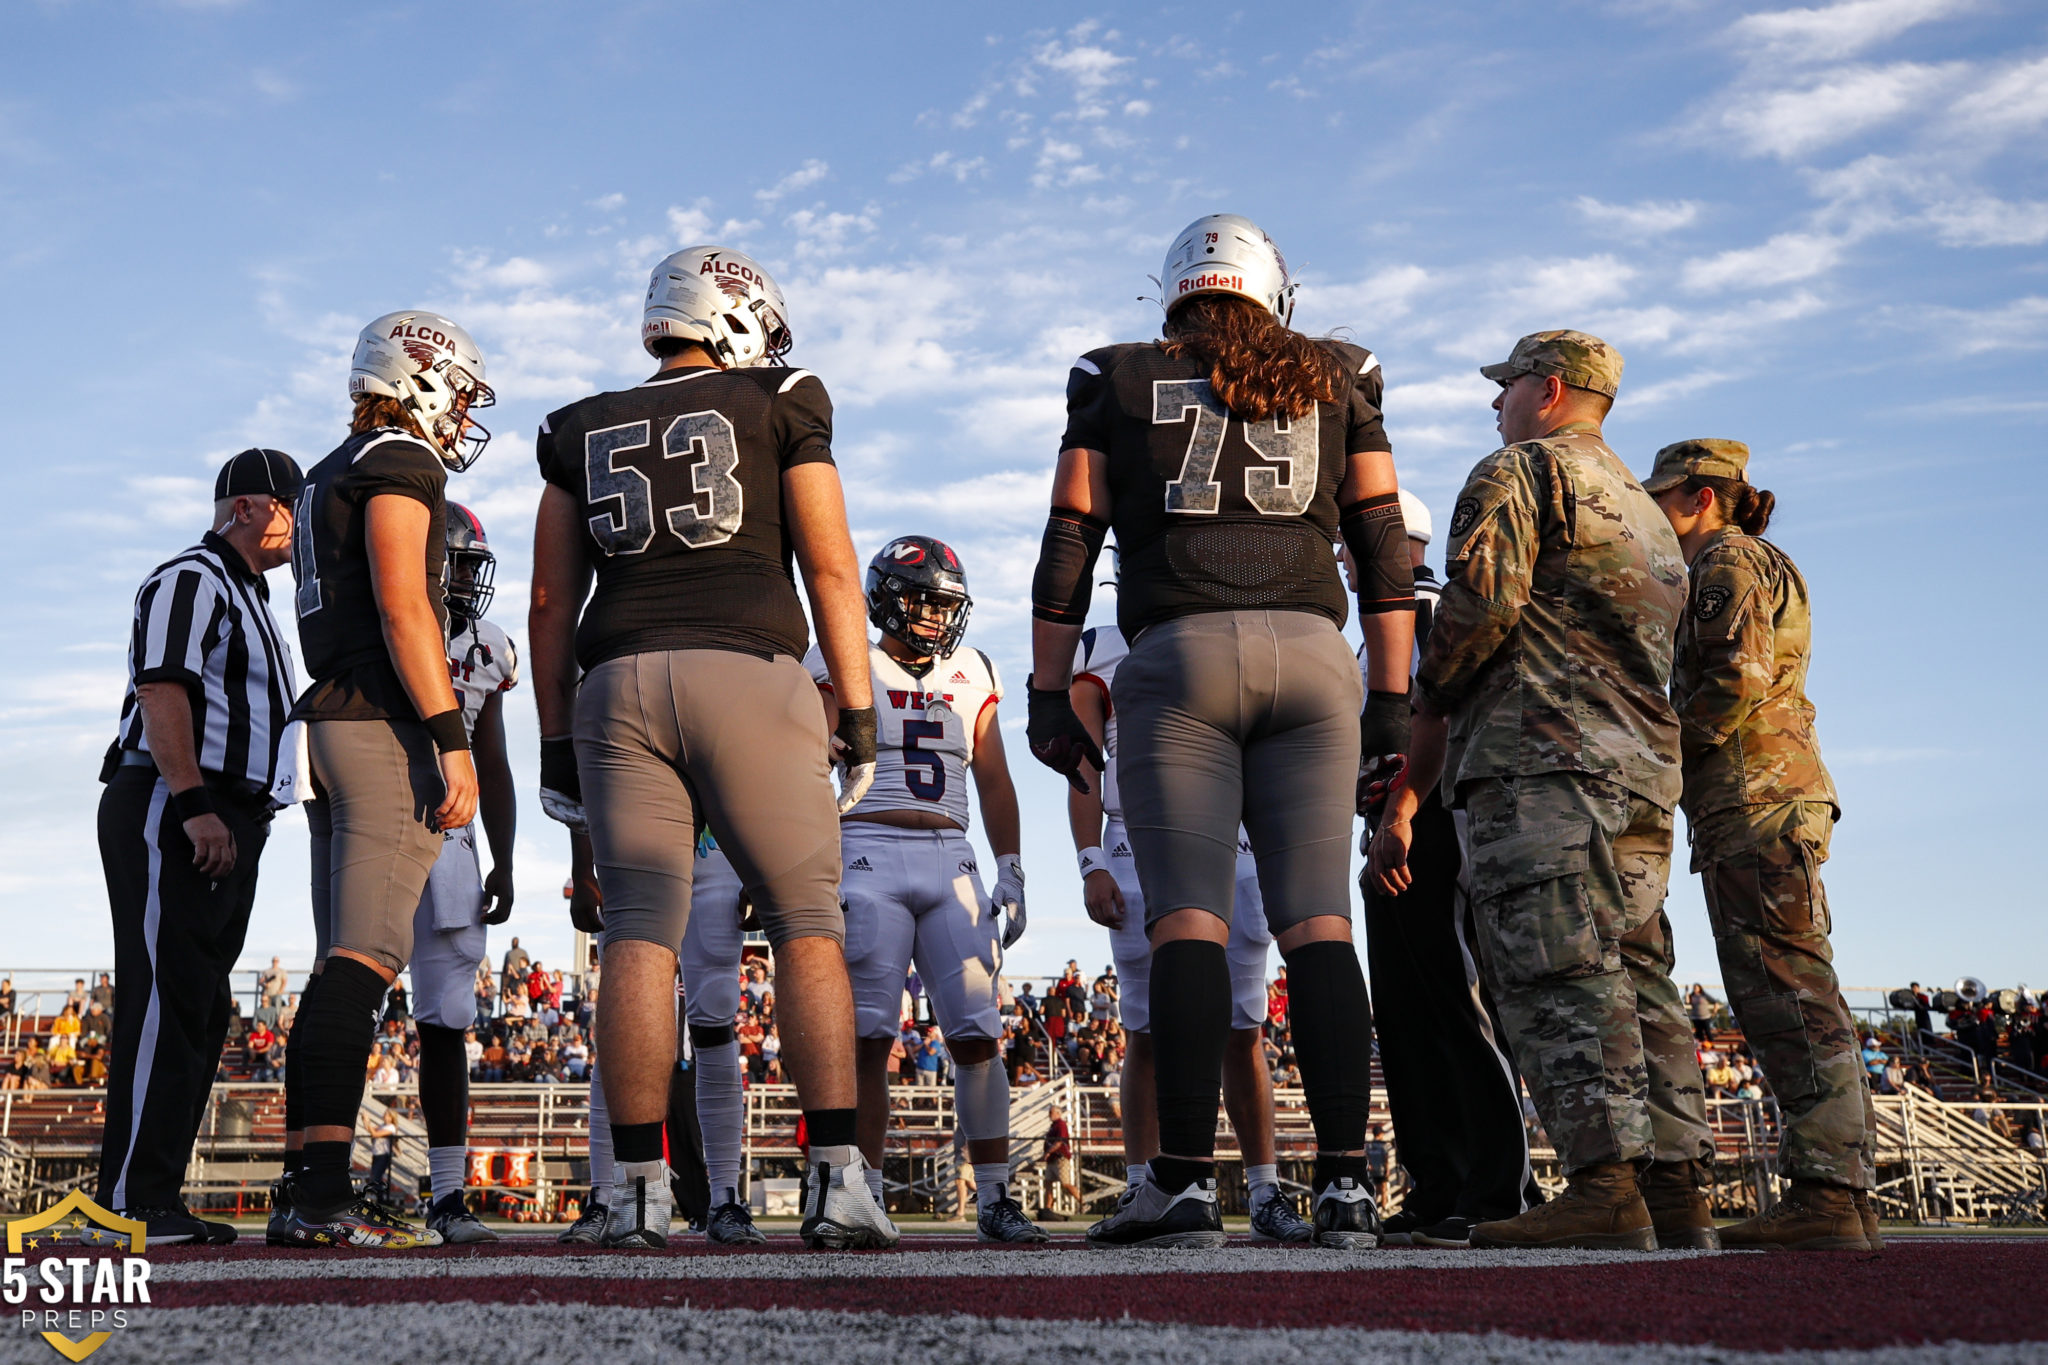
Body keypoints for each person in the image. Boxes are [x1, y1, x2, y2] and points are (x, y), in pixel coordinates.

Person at [1028, 214, 1413, 1249]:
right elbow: (1380, 546)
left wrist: (1045, 686)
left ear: (1173, 292)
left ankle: (1184, 1187)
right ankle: (1341, 1186)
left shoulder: (1114, 377)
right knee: (1317, 922)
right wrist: (1390, 695)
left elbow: (1071, 537)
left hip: (1179, 654)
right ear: (1268, 293)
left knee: (1186, 922)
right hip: (1313, 656)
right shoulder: (1340, 374)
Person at [530, 245, 890, 1251]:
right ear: (731, 318)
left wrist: (555, 739)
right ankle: (832, 1183)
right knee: (805, 922)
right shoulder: (785, 398)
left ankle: (634, 1190)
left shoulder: (578, 426)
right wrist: (856, 710)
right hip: (747, 670)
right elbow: (828, 564)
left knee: (640, 932)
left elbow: (551, 601)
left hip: (619, 685)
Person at [1369, 330, 1717, 1252]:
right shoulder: (1648, 511)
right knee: (1641, 970)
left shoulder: (1520, 471)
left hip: (1543, 764)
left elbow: (1477, 609)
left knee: (1557, 967)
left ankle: (1606, 1183)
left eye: (1508, 385)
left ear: (1549, 390)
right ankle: (1676, 1186)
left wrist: (1422, 725)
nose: (1497, 403)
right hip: (1643, 769)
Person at [278, 311, 494, 1251]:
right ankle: (317, 1196)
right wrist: (452, 737)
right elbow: (407, 608)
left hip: (326, 722)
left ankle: (308, 1187)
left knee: (343, 965)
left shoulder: (329, 466)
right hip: (378, 726)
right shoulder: (399, 458)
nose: (461, 416)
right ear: (422, 377)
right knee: (364, 960)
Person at [1647, 438, 1878, 1253]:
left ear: (1701, 498)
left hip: (1755, 797)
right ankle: (1838, 1190)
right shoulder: (1754, 560)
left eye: (1663, 493)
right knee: (1793, 990)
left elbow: (1734, 679)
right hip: (1765, 797)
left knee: (1788, 994)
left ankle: (1828, 1191)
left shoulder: (1725, 563)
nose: (1652, 506)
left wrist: (1660, 757)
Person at [96, 447, 306, 1246]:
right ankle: (128, 1201)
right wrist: (192, 802)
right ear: (248, 506)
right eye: (288, 507)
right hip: (174, 798)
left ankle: (156, 1193)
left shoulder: (253, 598)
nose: (296, 526)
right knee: (162, 996)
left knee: (201, 1003)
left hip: (228, 812)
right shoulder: (193, 577)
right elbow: (162, 686)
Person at [809, 537, 1044, 1245]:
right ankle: (865, 1193)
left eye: (947, 604)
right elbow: (815, 747)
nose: (938, 617)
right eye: (924, 600)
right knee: (868, 1038)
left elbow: (995, 775)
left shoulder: (973, 669)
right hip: (866, 845)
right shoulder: (843, 654)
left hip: (951, 852)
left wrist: (1013, 865)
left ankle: (996, 1198)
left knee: (978, 1035)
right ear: (886, 595)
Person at [1067, 618, 1315, 1244]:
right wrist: (1091, 861)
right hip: (1136, 835)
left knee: (1244, 1025)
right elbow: (1083, 765)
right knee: (1145, 1028)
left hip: (1237, 834)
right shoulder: (1100, 646)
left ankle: (1264, 1188)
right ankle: (1141, 1184)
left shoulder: (1241, 620)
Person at [1350, 491, 1540, 1248]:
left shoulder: (1430, 613)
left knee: (1456, 1006)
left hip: (1436, 819)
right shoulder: (1374, 628)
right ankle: (1437, 1183)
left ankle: (1499, 1186)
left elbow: (1447, 719)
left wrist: (1399, 797)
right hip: (1391, 825)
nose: (1344, 552)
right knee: (1404, 1015)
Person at [390, 503, 521, 1246]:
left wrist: (503, 855)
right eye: (456, 563)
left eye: (474, 565)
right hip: (383, 813)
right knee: (348, 986)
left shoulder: (490, 646)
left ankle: (446, 1195)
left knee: (447, 1015)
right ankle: (316, 1183)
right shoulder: (386, 615)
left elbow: (493, 759)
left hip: (455, 830)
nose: (468, 579)